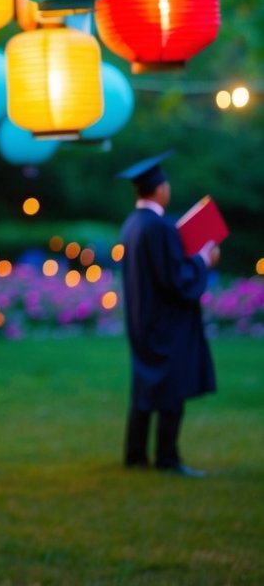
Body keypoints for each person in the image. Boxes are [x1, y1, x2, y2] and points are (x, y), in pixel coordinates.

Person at [118, 152, 220, 476]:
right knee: (171, 389)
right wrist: (203, 259)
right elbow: (176, 279)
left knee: (144, 388)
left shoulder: (132, 224)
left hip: (141, 320)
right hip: (167, 324)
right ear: (161, 189)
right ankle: (167, 457)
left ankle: (135, 454)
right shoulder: (159, 228)